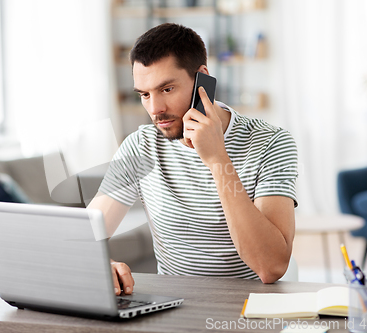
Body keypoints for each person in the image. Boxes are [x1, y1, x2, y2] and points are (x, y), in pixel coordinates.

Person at [88, 23, 298, 295]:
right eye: (144, 94)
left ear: (203, 80)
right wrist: (102, 264)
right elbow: (84, 237)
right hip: (173, 309)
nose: (155, 109)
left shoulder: (271, 143)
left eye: (166, 89)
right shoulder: (141, 146)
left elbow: (270, 267)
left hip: (249, 307)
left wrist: (216, 158)